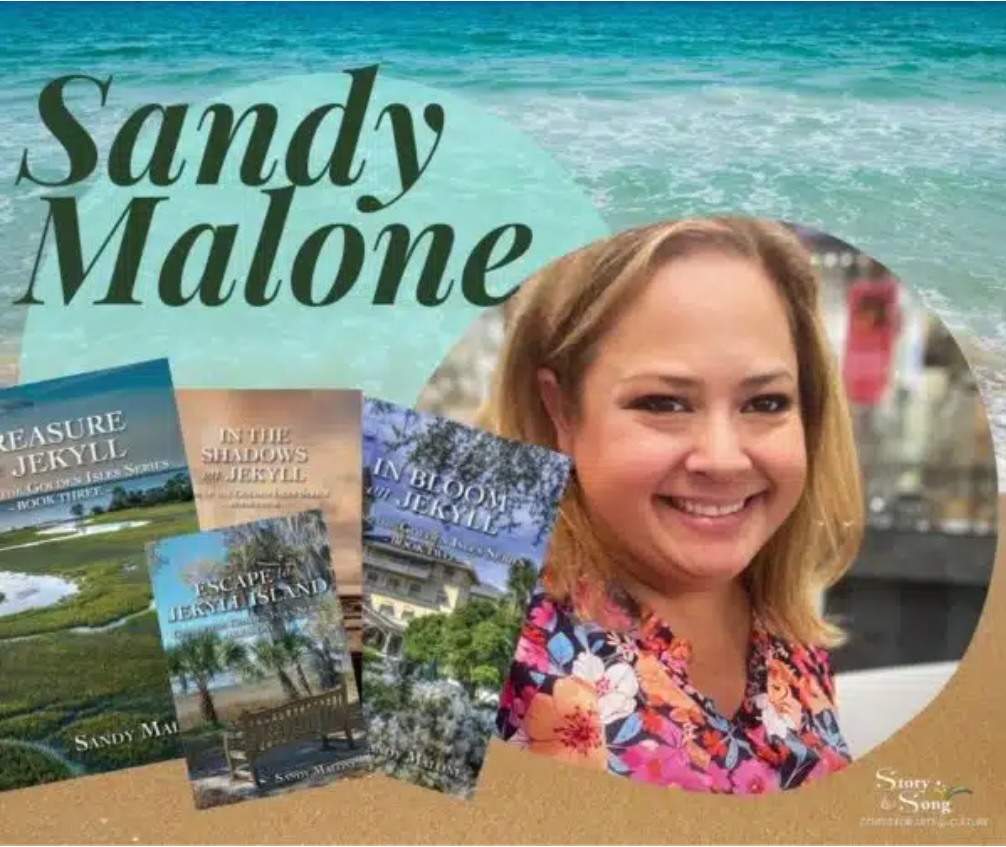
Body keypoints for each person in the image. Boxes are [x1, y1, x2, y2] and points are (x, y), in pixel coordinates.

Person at [479, 216, 864, 794]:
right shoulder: (476, 608)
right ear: (561, 409)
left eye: (765, 402)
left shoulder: (784, 626)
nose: (723, 458)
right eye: (663, 402)